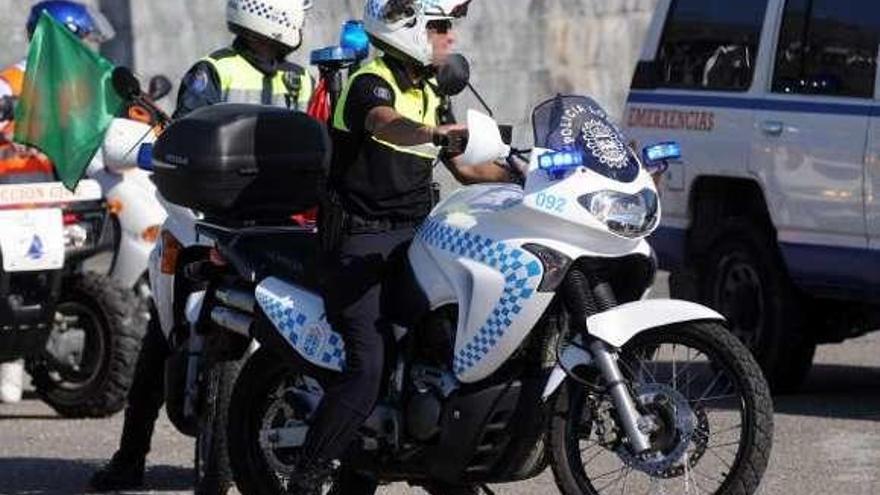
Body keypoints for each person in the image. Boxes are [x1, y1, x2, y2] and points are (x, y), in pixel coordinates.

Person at [88, 1, 315, 492]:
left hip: (283, 223)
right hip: (212, 219)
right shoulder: (210, 73)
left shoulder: (306, 80)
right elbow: (187, 137)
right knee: (160, 332)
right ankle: (130, 458)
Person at [291, 1, 510, 493]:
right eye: (438, 28)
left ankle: (436, 461)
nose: (449, 39)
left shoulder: (430, 88)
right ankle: (306, 476)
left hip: (416, 235)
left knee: (444, 350)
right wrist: (434, 134)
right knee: (368, 365)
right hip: (359, 241)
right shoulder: (369, 81)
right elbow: (384, 122)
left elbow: (469, 168)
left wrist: (527, 172)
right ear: (407, 28)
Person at [0, 1, 115, 405]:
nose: (87, 47)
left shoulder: (74, 88)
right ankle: (8, 361)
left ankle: (43, 354)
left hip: (53, 203)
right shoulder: (12, 81)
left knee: (67, 277)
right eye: (81, 38)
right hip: (10, 200)